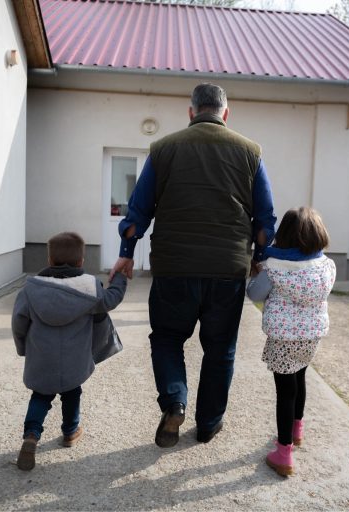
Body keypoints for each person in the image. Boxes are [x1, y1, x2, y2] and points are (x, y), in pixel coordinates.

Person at [110, 83, 276, 448]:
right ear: (225, 114)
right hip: (227, 270)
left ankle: (174, 402)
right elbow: (265, 219)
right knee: (220, 350)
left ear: (191, 112)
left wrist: (126, 250)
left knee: (168, 339)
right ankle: (208, 424)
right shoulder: (251, 152)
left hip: (174, 268)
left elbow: (138, 211)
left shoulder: (164, 149)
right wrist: (260, 260)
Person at [12, 231, 127, 470]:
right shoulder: (89, 289)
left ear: (50, 261)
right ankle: (70, 432)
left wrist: (23, 348)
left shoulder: (31, 290)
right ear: (81, 262)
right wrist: (119, 278)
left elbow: (18, 322)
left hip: (41, 358)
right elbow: (111, 299)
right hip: (75, 360)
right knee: (72, 392)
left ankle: (31, 435)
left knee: (40, 396)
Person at [246, 207, 336, 476]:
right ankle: (297, 431)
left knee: (285, 391)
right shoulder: (326, 266)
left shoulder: (274, 268)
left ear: (283, 235)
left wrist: (255, 272)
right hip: (311, 336)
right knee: (300, 379)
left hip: (284, 338)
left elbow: (255, 294)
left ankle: (283, 453)